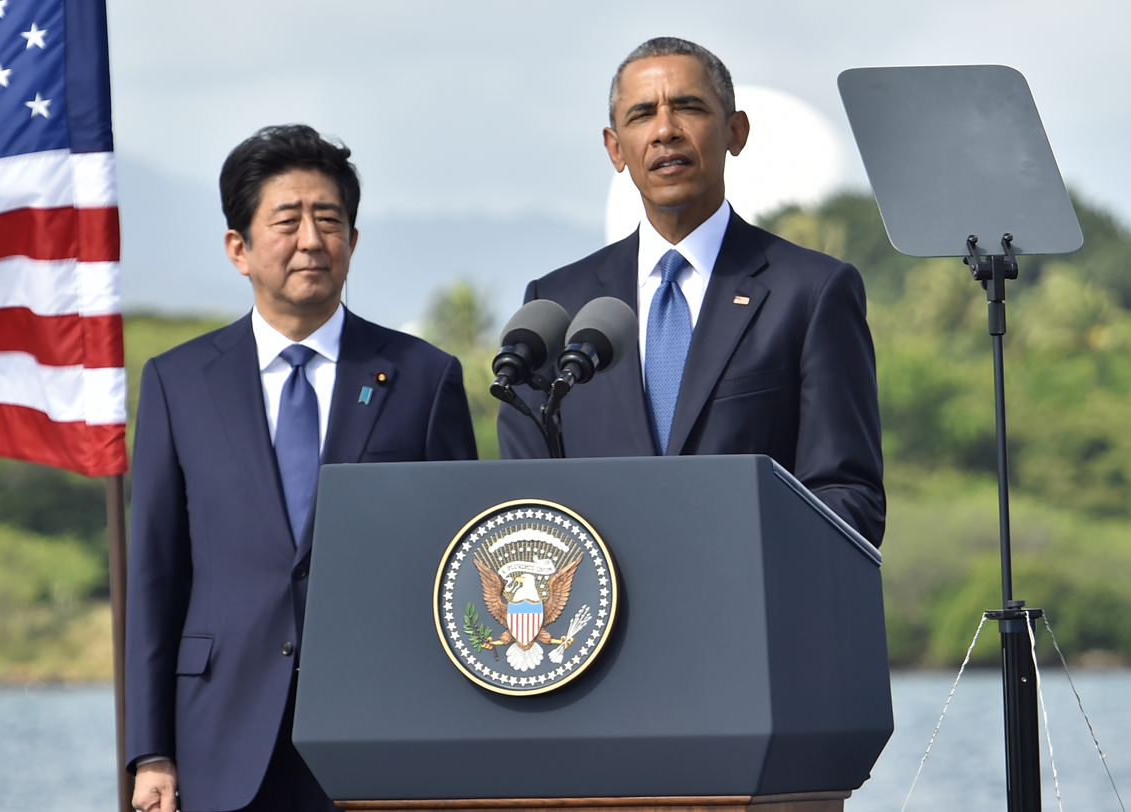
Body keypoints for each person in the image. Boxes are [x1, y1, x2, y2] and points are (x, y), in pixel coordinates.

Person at [126, 125, 477, 812]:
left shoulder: (423, 378)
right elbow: (154, 576)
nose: (312, 240)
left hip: (380, 733)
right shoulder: (179, 382)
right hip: (216, 737)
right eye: (287, 222)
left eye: (331, 221)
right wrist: (151, 752)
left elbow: (458, 569)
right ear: (239, 248)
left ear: (352, 239)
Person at [498, 38, 885, 546]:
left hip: (751, 608)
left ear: (735, 131)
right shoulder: (555, 307)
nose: (665, 131)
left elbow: (847, 495)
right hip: (600, 614)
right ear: (616, 148)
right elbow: (523, 506)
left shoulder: (810, 292)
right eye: (642, 115)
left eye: (689, 107)